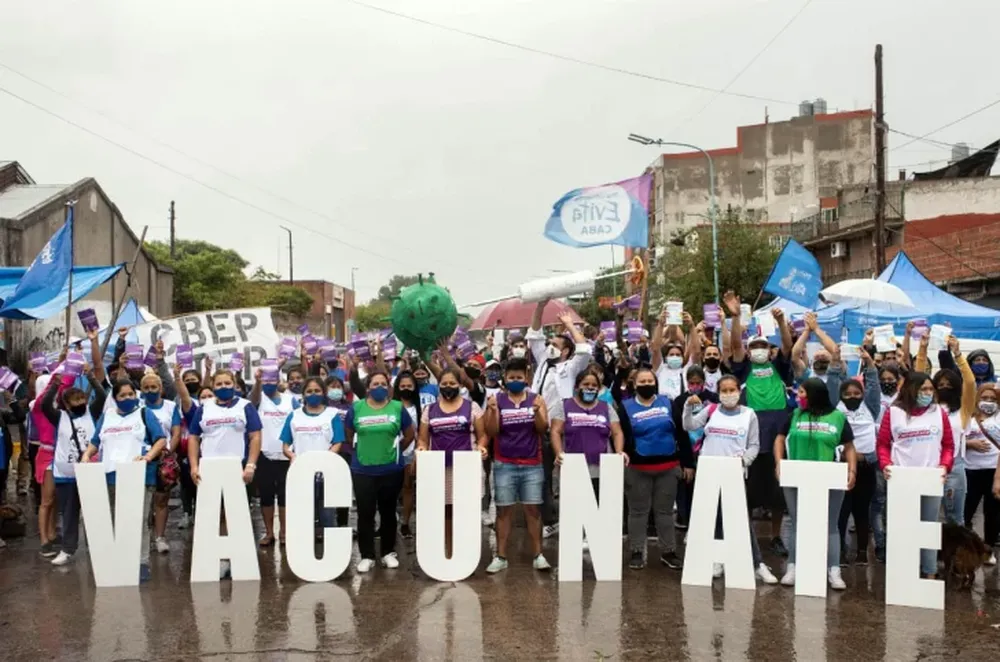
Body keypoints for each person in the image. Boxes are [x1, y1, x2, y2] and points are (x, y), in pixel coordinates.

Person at [683, 374, 778, 584]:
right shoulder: (711, 410)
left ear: (739, 391)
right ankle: (718, 560)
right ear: (718, 393)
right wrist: (688, 408)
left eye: (732, 390)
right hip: (709, 471)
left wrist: (744, 461)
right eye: (724, 391)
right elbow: (689, 425)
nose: (728, 394)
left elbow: (754, 445)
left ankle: (757, 564)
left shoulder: (749, 415)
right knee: (715, 516)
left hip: (734, 474)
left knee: (740, 519)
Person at [725, 291, 794, 557]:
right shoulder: (743, 369)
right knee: (749, 492)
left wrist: (781, 322)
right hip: (752, 439)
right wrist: (735, 317)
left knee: (778, 493)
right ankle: (748, 537)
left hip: (777, 438)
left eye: (763, 346)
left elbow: (787, 346)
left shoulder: (779, 367)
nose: (758, 350)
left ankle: (776, 536)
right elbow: (735, 347)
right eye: (754, 346)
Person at [773, 377, 856, 590]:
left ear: (814, 394)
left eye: (802, 392)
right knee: (797, 522)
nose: (798, 396)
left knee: (831, 524)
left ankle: (833, 569)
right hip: (796, 475)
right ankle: (793, 566)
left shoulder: (838, 417)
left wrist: (852, 470)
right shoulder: (795, 415)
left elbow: (849, 446)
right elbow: (780, 438)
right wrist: (779, 462)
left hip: (829, 476)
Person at [82, 380, 168, 582]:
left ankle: (141, 563)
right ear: (115, 398)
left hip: (140, 475)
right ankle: (118, 561)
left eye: (131, 394)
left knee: (139, 520)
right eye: (122, 395)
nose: (127, 398)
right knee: (114, 519)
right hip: (110, 475)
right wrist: (86, 455)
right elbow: (95, 441)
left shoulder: (145, 413)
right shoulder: (107, 416)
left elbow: (160, 440)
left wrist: (148, 457)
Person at [877, 371, 955, 579]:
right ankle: (902, 572)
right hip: (902, 479)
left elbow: (948, 445)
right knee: (902, 527)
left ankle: (929, 572)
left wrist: (945, 466)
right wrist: (886, 464)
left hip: (931, 478)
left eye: (930, 389)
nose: (928, 393)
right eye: (923, 389)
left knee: (928, 528)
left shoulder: (939, 412)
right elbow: (883, 444)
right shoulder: (894, 412)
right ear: (911, 389)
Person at [187, 369, 263, 579]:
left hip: (237, 470)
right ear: (212, 386)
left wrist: (251, 465)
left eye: (227, 383)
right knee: (214, 515)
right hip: (209, 470)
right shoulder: (204, 408)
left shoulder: (245, 406)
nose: (223, 387)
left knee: (236, 514)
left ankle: (237, 557)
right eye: (219, 384)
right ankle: (219, 559)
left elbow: (255, 437)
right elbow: (193, 437)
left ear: (234, 384)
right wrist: (194, 466)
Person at [527, 304, 592, 538]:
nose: (550, 347)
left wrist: (569, 326)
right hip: (538, 428)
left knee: (568, 476)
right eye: (550, 344)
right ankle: (551, 520)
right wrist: (540, 306)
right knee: (542, 477)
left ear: (565, 351)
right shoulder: (543, 362)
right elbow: (535, 335)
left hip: (563, 430)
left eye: (555, 345)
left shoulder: (570, 367)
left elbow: (584, 350)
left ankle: (577, 521)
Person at [482, 358, 551, 573]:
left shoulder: (536, 399)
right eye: (511, 377)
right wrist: (493, 411)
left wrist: (537, 411)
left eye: (519, 377)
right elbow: (491, 431)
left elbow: (542, 429)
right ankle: (501, 556)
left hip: (532, 464)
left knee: (533, 510)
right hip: (504, 464)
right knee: (504, 511)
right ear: (505, 378)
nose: (515, 380)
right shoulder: (496, 399)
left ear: (526, 378)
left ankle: (538, 555)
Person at [621, 366, 691, 570]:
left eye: (650, 381)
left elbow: (681, 433)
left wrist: (687, 463)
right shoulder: (625, 407)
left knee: (665, 512)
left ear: (656, 383)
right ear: (635, 385)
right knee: (637, 512)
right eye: (642, 382)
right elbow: (621, 435)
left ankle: (669, 552)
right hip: (637, 468)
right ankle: (636, 551)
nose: (646, 385)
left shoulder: (668, 403)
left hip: (668, 467)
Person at [344, 369, 414, 573]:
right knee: (365, 513)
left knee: (388, 512)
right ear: (368, 388)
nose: (380, 387)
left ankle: (388, 552)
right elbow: (349, 434)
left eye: (384, 384)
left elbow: (409, 434)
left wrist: (395, 449)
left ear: (389, 387)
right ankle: (367, 555)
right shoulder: (356, 408)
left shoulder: (397, 407)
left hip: (391, 469)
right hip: (363, 470)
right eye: (375, 384)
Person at [550, 370, 626, 547]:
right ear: (577, 386)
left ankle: (595, 539)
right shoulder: (564, 405)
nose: (590, 388)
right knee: (574, 506)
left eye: (594, 385)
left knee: (598, 503)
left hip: (600, 465)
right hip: (572, 465)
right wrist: (558, 452)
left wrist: (619, 452)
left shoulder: (606, 407)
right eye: (586, 385)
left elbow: (617, 432)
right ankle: (575, 540)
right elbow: (555, 431)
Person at [417, 368, 487, 556]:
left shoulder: (472, 407)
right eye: (444, 384)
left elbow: (482, 435)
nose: (448, 387)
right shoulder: (429, 410)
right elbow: (422, 439)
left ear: (460, 385)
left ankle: (467, 553)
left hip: (466, 468)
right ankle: (449, 551)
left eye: (452, 383)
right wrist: (421, 448)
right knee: (446, 511)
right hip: (440, 469)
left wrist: (482, 447)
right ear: (438, 386)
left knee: (466, 511)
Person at [42, 364, 107, 566]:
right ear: (67, 404)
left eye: (82, 399)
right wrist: (54, 385)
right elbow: (45, 405)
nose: (80, 403)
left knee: (94, 511)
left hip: (90, 472)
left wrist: (90, 376)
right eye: (75, 400)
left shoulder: (92, 412)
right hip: (66, 474)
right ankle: (68, 549)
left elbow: (101, 395)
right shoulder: (59, 417)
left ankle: (97, 549)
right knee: (69, 513)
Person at [826, 347, 880, 564]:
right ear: (841, 396)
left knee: (861, 511)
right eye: (847, 394)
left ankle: (862, 553)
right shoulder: (834, 408)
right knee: (841, 511)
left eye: (857, 394)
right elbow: (832, 384)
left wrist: (870, 363)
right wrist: (834, 362)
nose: (852, 397)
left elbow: (874, 386)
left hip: (866, 466)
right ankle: (840, 552)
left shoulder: (871, 407)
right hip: (841, 466)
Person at [916, 335, 977, 527]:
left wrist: (958, 354)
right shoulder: (925, 408)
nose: (945, 388)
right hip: (927, 465)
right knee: (927, 519)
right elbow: (917, 380)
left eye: (949, 385)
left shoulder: (964, 410)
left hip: (954, 468)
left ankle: (955, 548)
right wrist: (922, 349)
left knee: (955, 520)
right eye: (940, 385)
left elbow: (970, 383)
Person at [281, 376, 345, 537]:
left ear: (324, 393)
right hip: (301, 473)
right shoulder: (294, 416)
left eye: (317, 390)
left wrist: (325, 461)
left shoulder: (332, 415)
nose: (313, 394)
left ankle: (328, 547)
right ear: (303, 394)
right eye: (309, 391)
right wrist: (292, 456)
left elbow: (338, 442)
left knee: (327, 515)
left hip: (326, 474)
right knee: (303, 515)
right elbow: (285, 446)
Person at [251, 366, 298, 547]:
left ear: (278, 381)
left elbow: (298, 420)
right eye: (266, 381)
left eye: (272, 380)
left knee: (285, 496)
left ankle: (284, 531)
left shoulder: (290, 400)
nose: (268, 384)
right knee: (266, 496)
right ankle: (269, 532)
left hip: (287, 455)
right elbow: (254, 399)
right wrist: (257, 381)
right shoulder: (259, 398)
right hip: (264, 454)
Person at [137, 372, 182, 555]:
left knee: (161, 499)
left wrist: (168, 451)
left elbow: (176, 432)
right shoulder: (138, 407)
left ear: (161, 389)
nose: (150, 390)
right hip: (141, 458)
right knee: (143, 500)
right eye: (146, 388)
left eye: (154, 387)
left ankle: (160, 537)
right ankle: (143, 537)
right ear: (141, 390)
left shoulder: (171, 407)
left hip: (164, 459)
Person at [671, 366, 718, 531]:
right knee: (687, 491)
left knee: (707, 491)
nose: (695, 386)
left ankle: (708, 527)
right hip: (687, 452)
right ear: (687, 383)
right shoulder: (679, 401)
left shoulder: (713, 399)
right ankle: (687, 523)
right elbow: (680, 432)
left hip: (708, 451)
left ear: (704, 382)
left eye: (698, 383)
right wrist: (687, 463)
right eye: (692, 383)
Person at [964, 383, 1000, 565]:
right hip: (970, 471)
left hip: (994, 471)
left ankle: (988, 550)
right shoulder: (968, 417)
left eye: (993, 399)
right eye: (985, 398)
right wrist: (970, 444)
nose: (989, 402)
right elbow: (955, 439)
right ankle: (964, 548)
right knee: (965, 511)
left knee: (992, 514)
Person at [393, 370, 421, 538]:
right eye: (402, 386)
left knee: (408, 488)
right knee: (390, 488)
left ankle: (405, 523)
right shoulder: (391, 406)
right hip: (392, 452)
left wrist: (417, 453)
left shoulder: (419, 408)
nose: (406, 389)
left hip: (411, 453)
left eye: (409, 386)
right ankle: (388, 520)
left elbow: (422, 433)